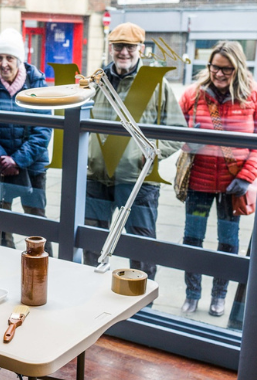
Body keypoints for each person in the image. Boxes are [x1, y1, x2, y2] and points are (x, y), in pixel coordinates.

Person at [84, 22, 186, 280]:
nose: (124, 52)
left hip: (139, 180)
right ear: (111, 48)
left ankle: (143, 307)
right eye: (119, 46)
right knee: (91, 245)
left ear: (141, 48)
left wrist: (150, 153)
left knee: (142, 249)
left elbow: (177, 131)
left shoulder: (156, 84)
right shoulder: (97, 81)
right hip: (97, 178)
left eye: (130, 47)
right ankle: (90, 296)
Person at [178, 41, 257, 316]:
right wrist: (189, 140)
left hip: (233, 185)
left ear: (238, 68)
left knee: (228, 243)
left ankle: (219, 296)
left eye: (226, 69)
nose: (219, 74)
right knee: (193, 239)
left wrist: (247, 175)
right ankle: (192, 294)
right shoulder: (193, 94)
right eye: (215, 67)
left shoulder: (254, 96)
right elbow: (175, 131)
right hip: (199, 184)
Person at [0, 28, 53, 253]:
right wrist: (0, 158)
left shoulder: (37, 83)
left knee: (36, 219)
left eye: (10, 58)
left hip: (32, 164)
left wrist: (17, 160)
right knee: (0, 219)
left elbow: (43, 129)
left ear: (20, 60)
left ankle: (45, 262)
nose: (4, 63)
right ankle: (6, 259)